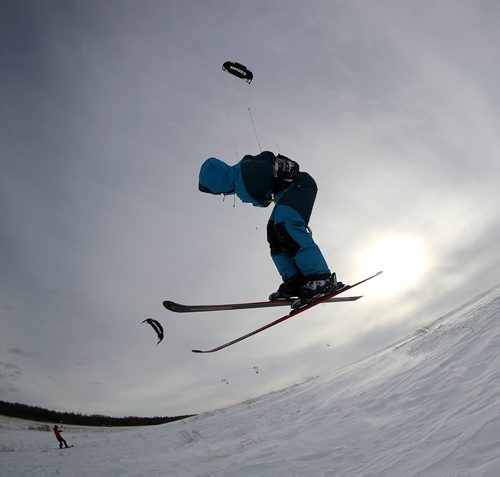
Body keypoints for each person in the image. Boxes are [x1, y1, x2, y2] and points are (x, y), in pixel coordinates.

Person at [199, 151, 343, 306]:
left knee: (286, 225)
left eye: (215, 190)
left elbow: (266, 162)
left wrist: (277, 168)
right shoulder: (240, 179)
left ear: (217, 181)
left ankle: (320, 278)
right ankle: (295, 280)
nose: (220, 193)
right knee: (274, 233)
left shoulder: (244, 172)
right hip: (287, 193)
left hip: (299, 186)